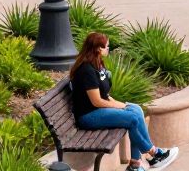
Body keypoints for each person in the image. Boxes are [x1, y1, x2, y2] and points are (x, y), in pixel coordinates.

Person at [69, 32, 178, 171]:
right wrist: (120, 106)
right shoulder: (87, 70)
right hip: (88, 116)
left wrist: (122, 105)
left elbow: (104, 95)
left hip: (98, 110)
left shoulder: (97, 64)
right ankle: (153, 154)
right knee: (132, 119)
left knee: (137, 110)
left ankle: (135, 164)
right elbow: (97, 102)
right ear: (98, 49)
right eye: (106, 47)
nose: (108, 48)